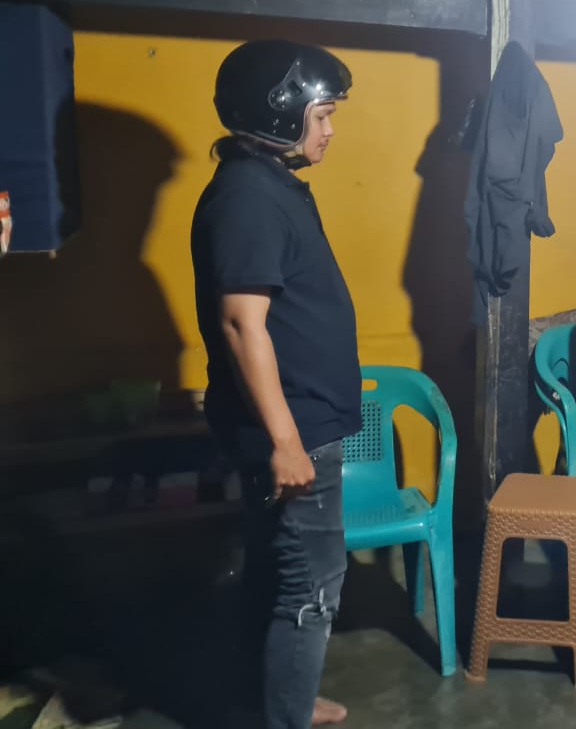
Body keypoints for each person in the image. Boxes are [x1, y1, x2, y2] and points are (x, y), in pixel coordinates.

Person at [191, 40, 360, 729]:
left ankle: (278, 700)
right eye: (322, 115)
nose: (330, 129)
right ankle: (284, 714)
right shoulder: (249, 197)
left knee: (277, 570)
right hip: (293, 429)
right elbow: (241, 324)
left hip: (297, 422)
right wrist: (287, 443)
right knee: (311, 588)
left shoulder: (265, 184)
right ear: (280, 113)